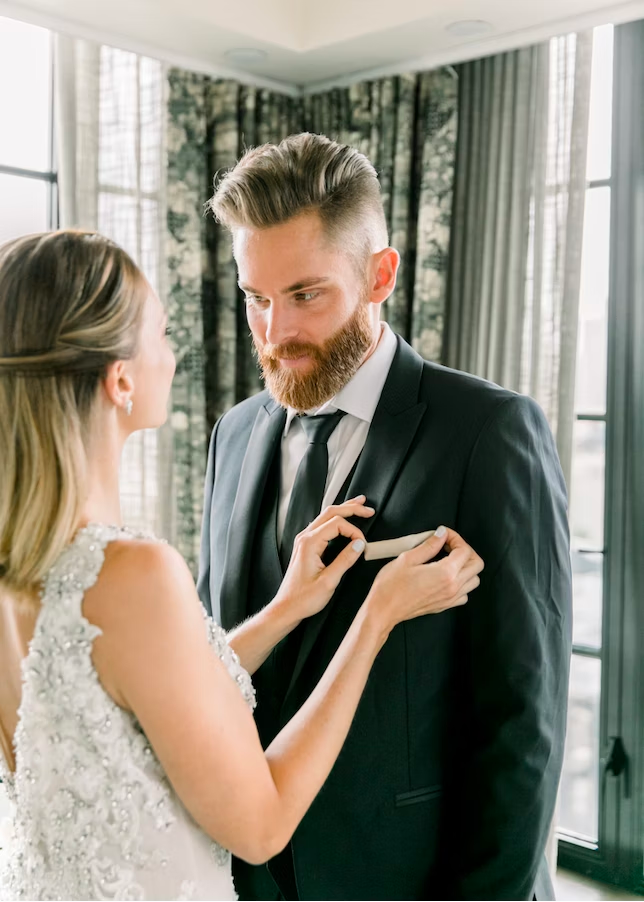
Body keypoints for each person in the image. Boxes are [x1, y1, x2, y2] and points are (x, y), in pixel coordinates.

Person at [0, 229, 483, 902]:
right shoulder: (132, 572)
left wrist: (288, 607)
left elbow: (137, 701)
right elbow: (261, 827)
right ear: (120, 378)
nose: (174, 356)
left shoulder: (18, 569)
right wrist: (376, 617)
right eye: (162, 335)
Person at [200, 132, 573, 902]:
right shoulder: (231, 436)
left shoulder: (489, 432)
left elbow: (521, 721)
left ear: (380, 276)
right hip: (244, 877)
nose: (276, 335)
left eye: (307, 295)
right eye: (256, 298)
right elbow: (219, 669)